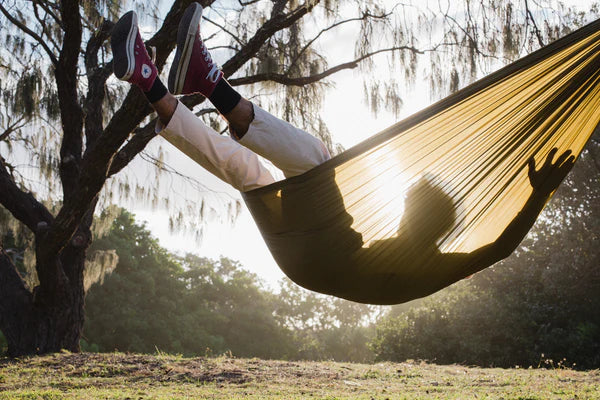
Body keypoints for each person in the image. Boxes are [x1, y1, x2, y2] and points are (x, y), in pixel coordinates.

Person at [112, 4, 575, 304]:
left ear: (423, 224)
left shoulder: (430, 265)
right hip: (307, 257)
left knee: (314, 158)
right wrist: (538, 193)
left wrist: (538, 195)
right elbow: (499, 248)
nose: (400, 216)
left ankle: (204, 81)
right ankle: (148, 77)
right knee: (254, 174)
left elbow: (500, 248)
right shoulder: (418, 257)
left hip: (321, 251)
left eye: (409, 210)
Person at [111, 3, 330, 193]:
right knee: (248, 170)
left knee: (317, 162)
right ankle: (148, 79)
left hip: (334, 235)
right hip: (290, 231)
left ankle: (207, 81)